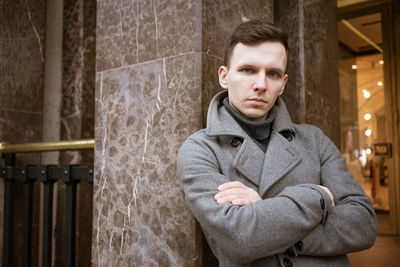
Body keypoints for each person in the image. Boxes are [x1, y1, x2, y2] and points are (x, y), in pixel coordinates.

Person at [177, 20, 377, 267]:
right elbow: (241, 239)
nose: (261, 84)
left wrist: (265, 214)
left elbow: (364, 224)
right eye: (248, 70)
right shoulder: (200, 149)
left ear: (283, 84)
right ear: (224, 77)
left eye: (272, 73)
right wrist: (321, 195)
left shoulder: (315, 140)